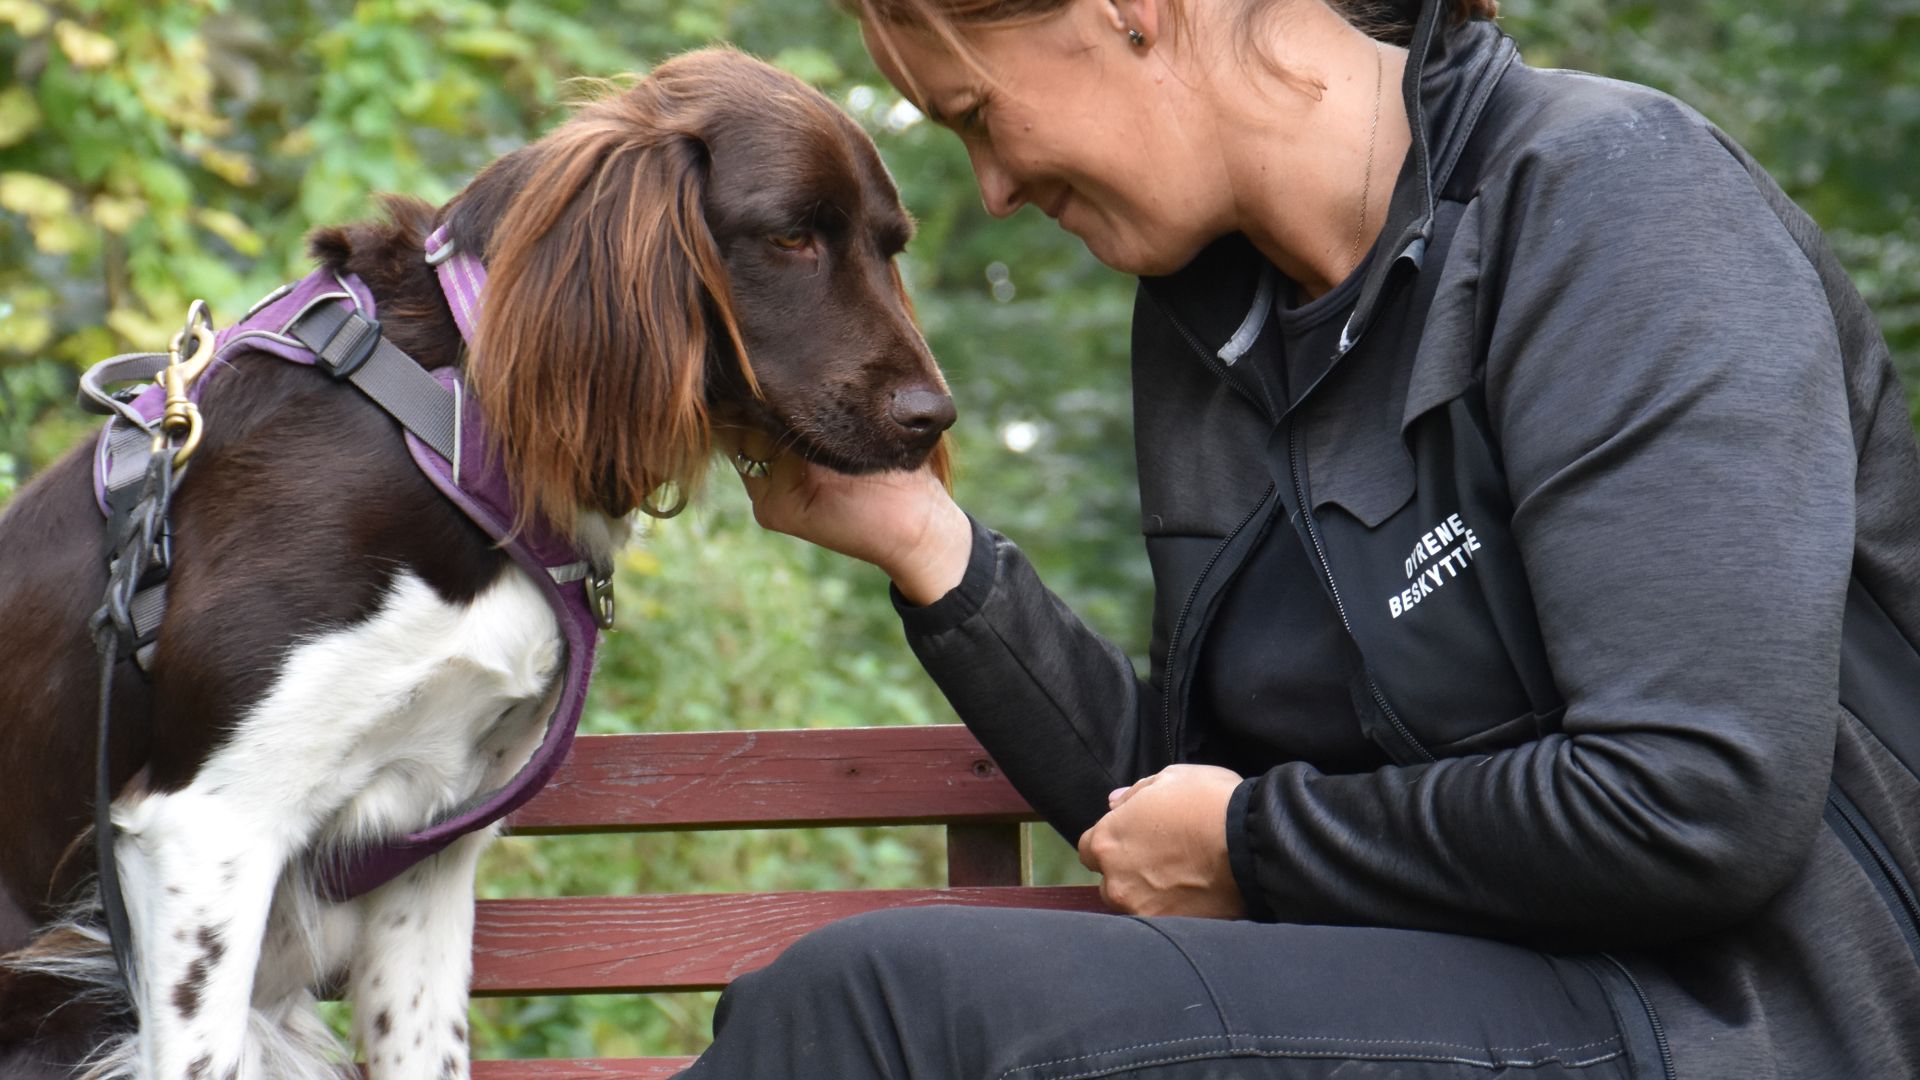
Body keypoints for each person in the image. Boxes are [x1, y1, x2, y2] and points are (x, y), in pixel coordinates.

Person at [697, 0, 1920, 1075]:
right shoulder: (1217, 329)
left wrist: (1251, 841)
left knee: (877, 1007)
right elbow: (1176, 806)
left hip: (1734, 1024)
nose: (994, 190)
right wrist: (928, 544)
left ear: (1136, 11)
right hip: (1450, 996)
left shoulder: (1619, 201)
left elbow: (1693, 804)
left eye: (974, 112)